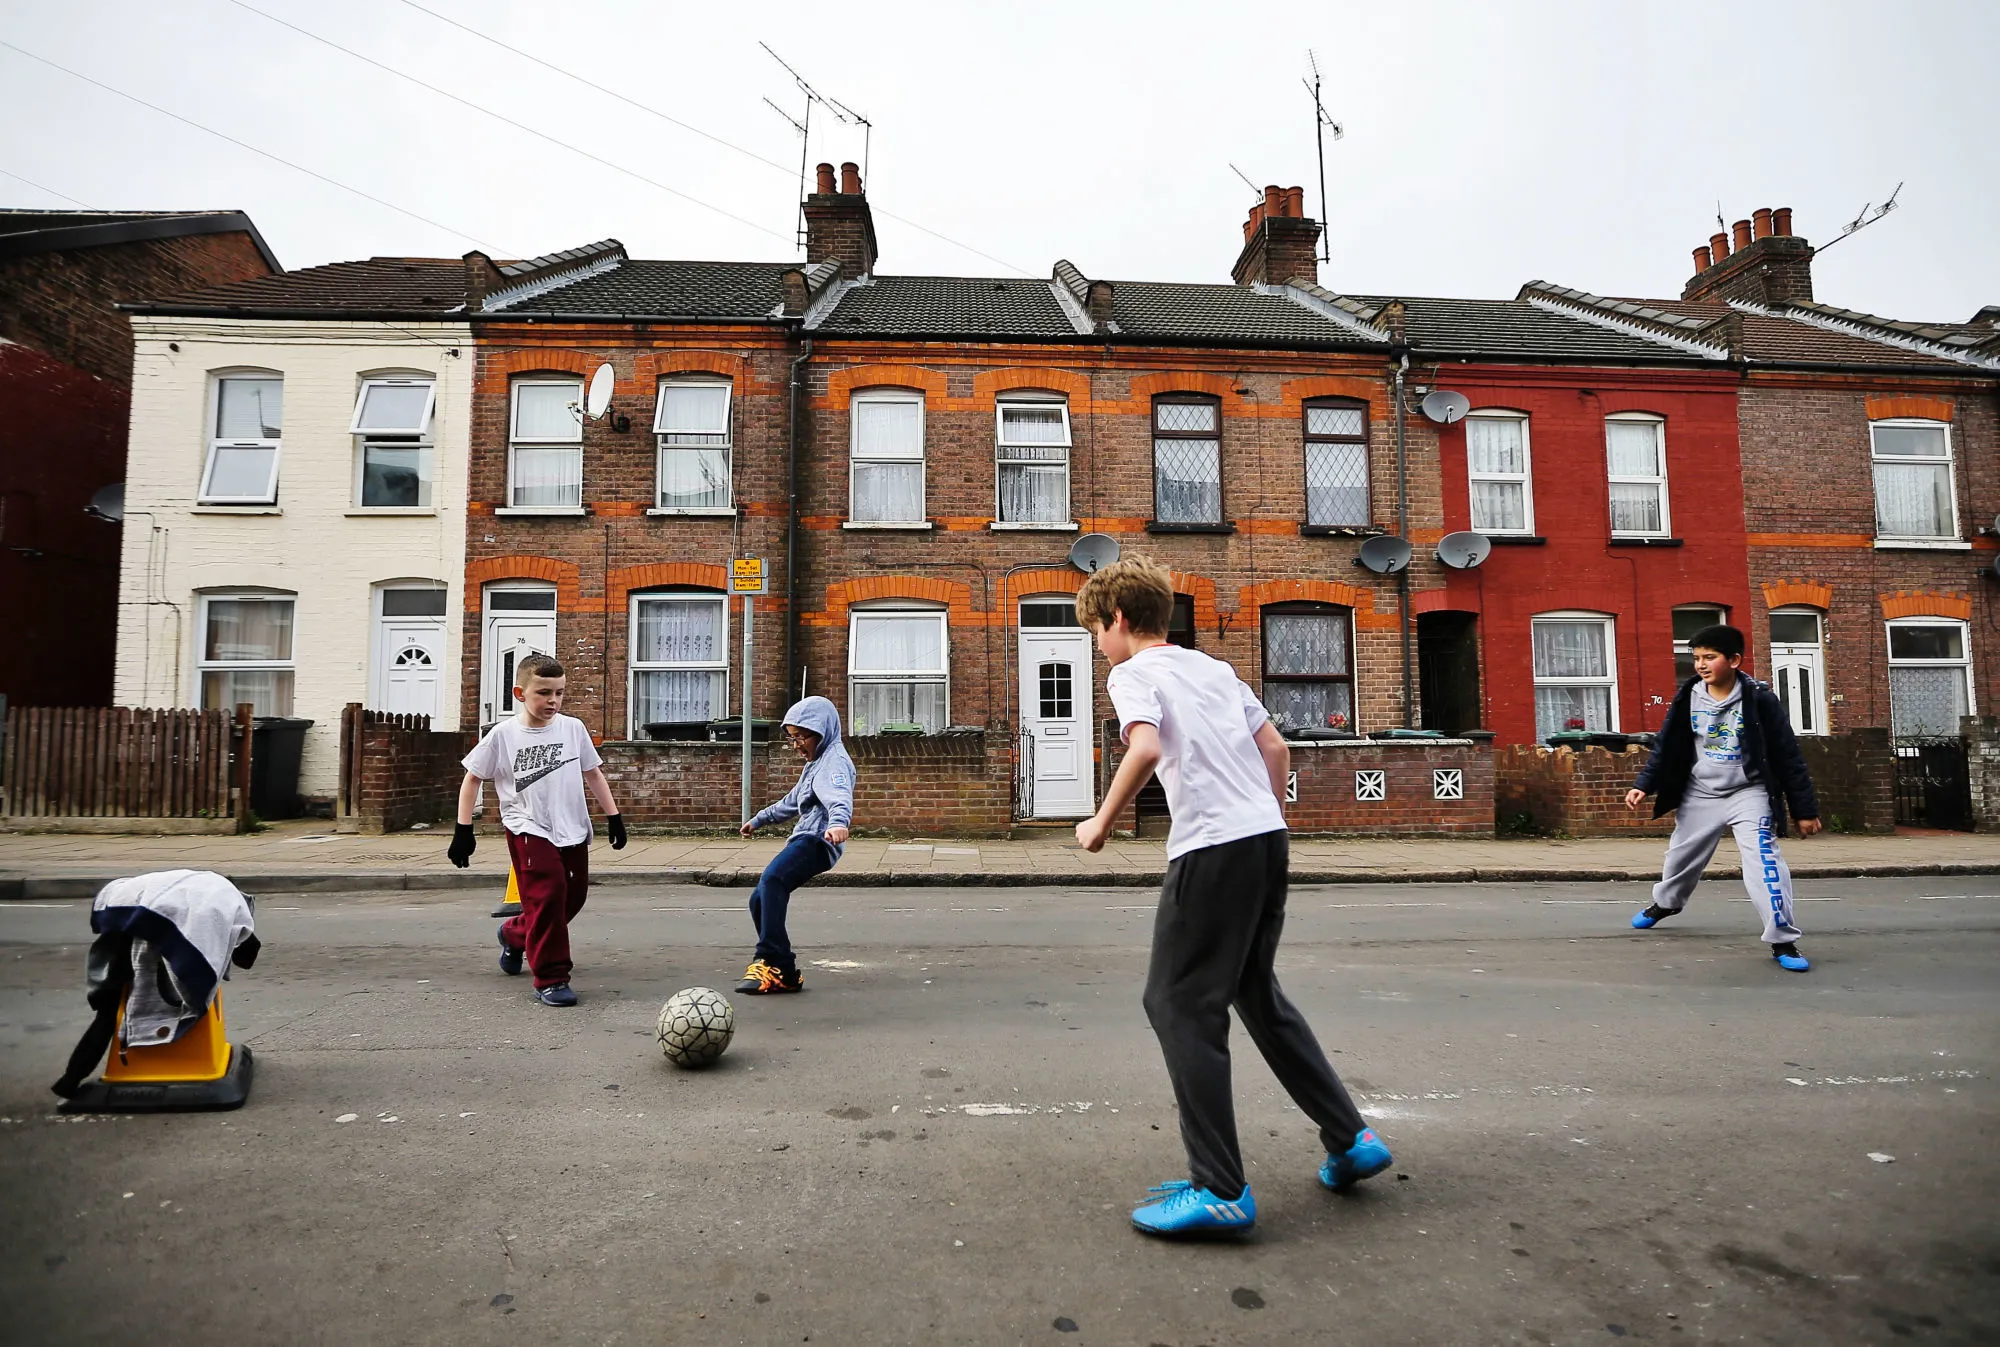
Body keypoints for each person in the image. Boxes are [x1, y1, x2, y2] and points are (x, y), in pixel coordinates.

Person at [1072, 556, 1389, 1238]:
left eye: (1096, 630)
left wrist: (1100, 822)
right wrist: (1265, 816)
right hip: (1265, 840)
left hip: (1212, 848)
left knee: (1178, 1002)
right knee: (1254, 991)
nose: (1098, 645)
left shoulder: (1132, 672)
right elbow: (1274, 747)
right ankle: (1351, 1137)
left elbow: (1145, 748)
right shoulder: (1214, 668)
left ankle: (1219, 1186)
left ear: (1118, 619)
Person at [1625, 623, 1822, 971]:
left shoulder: (1759, 699)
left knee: (1764, 863)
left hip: (1749, 791)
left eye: (1709, 657)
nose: (1700, 664)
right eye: (1696, 658)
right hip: (1701, 791)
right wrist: (1645, 783)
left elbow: (1787, 755)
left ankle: (1782, 940)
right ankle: (1667, 903)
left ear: (1734, 660)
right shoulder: (1688, 696)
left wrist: (1804, 809)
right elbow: (1667, 744)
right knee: (1680, 858)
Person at [448, 653, 625, 1006]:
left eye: (559, 693)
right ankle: (552, 978)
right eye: (544, 693)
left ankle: (515, 934)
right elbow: (472, 779)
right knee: (548, 893)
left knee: (572, 898)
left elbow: (593, 773)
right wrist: (463, 830)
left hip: (571, 826)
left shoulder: (572, 728)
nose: (553, 701)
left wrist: (614, 816)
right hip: (527, 826)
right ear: (520, 693)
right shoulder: (504, 735)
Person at [735, 696, 854, 995]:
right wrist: (759, 819)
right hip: (806, 837)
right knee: (759, 898)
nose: (797, 746)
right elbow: (791, 801)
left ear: (822, 732)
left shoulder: (834, 761)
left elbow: (839, 796)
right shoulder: (814, 765)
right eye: (791, 739)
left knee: (773, 880)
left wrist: (838, 823)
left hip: (819, 840)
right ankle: (786, 973)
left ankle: (769, 959)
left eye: (801, 737)